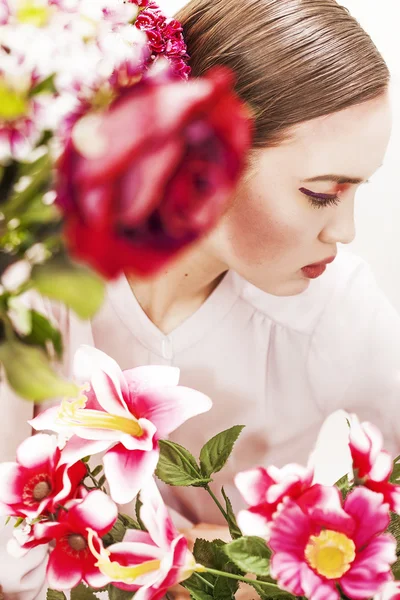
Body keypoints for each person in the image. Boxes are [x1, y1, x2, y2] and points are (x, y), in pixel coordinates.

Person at [1, 0, 400, 598]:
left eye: (355, 191)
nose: (343, 232)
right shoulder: (39, 283)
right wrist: (199, 557)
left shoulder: (335, 304)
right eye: (321, 194)